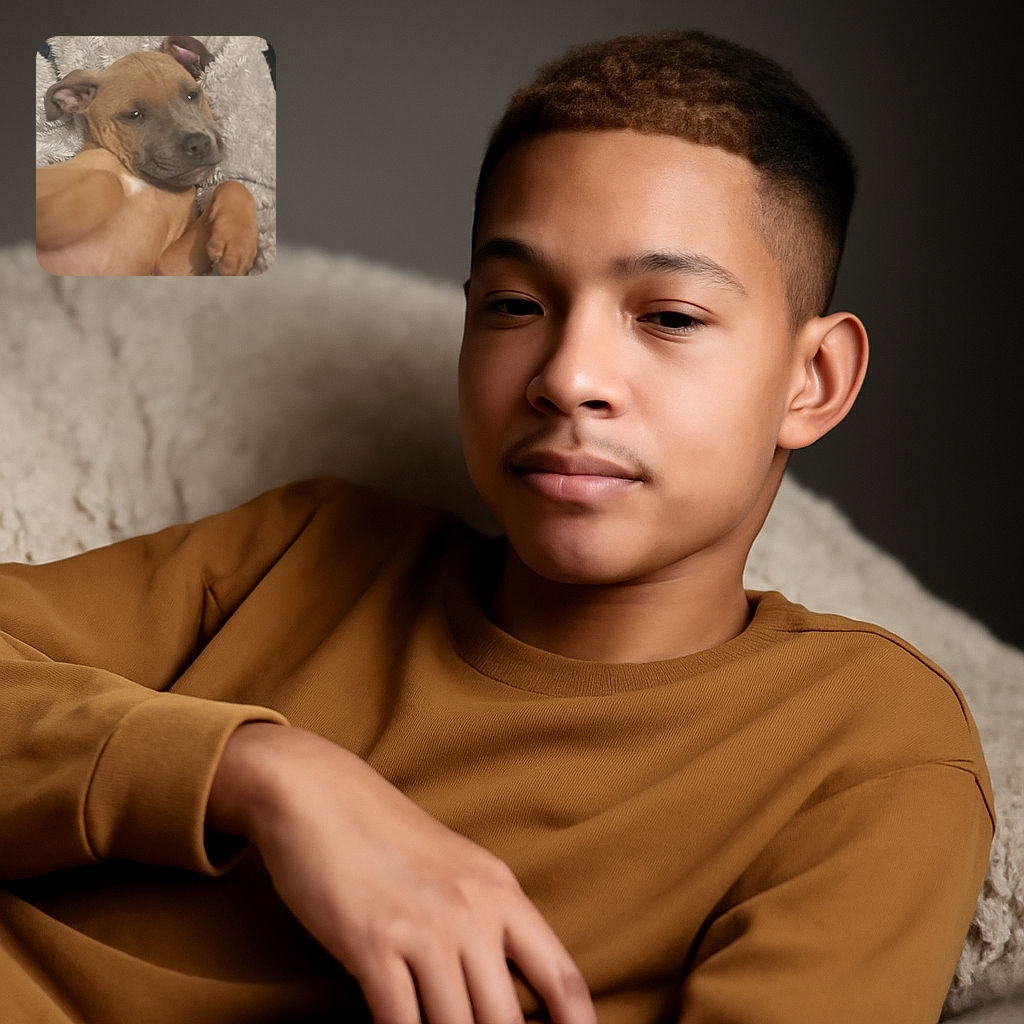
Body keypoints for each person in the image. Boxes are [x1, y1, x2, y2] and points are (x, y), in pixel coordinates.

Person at [0, 29, 992, 1024]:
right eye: (516, 303)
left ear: (810, 381)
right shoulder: (308, 548)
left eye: (670, 317)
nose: (566, 375)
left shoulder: (866, 750)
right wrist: (265, 774)